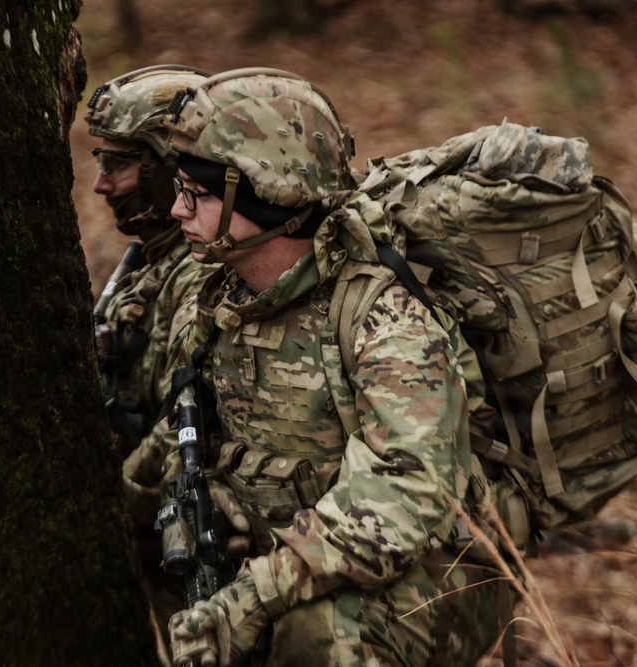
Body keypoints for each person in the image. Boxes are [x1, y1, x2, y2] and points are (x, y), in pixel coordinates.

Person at [156, 68, 513, 666]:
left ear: (268, 192)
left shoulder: (380, 317)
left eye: (198, 193)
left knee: (320, 639)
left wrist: (258, 592)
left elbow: (410, 495)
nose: (175, 209)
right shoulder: (217, 300)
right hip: (302, 556)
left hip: (436, 565)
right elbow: (187, 427)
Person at [85, 64, 219, 650]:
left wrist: (110, 504)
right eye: (101, 161)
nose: (101, 184)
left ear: (168, 172)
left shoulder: (199, 275)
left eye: (118, 164)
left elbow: (186, 426)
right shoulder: (149, 260)